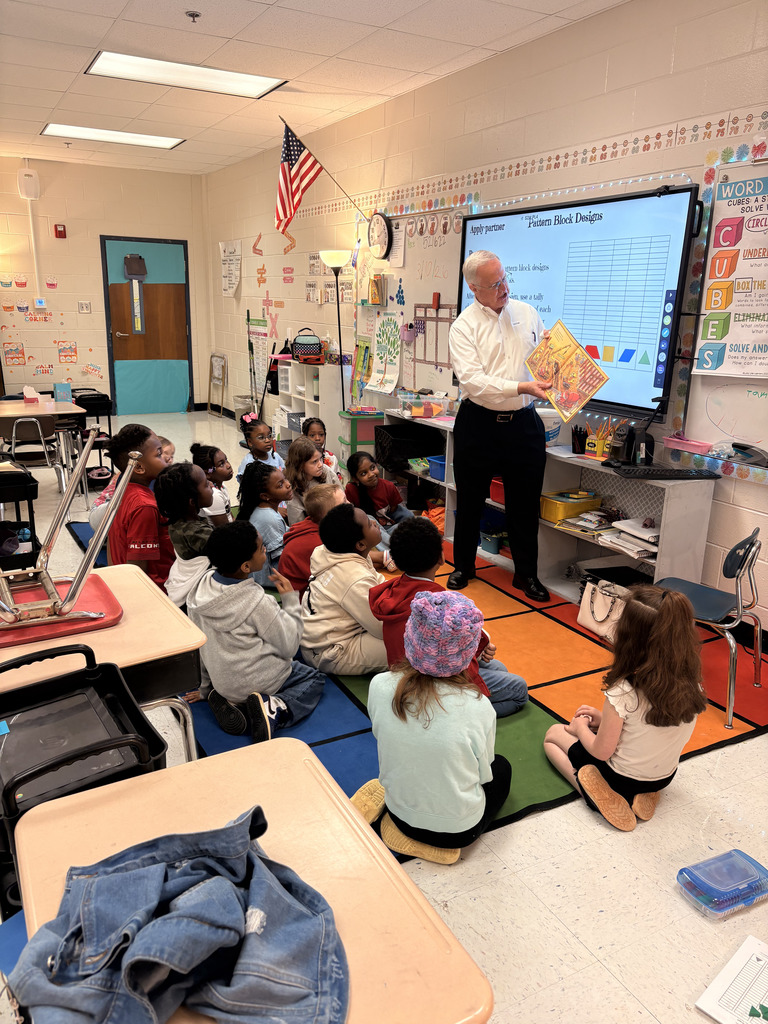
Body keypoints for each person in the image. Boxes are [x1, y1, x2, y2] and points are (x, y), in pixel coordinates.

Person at [356, 590, 511, 864]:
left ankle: (404, 818)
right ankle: (439, 841)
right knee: (502, 768)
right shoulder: (478, 706)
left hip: (400, 816)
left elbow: (382, 733)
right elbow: (483, 773)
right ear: (467, 652)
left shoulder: (379, 685)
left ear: (411, 638)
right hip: (459, 832)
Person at [543, 585, 708, 832]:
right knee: (601, 739)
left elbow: (601, 752)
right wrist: (603, 719)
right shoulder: (692, 683)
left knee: (553, 736)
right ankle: (645, 794)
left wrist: (579, 729)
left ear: (629, 637)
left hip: (621, 778)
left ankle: (592, 790)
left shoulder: (624, 690)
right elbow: (648, 727)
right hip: (663, 777)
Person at [448, 249, 553, 601]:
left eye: (505, 278)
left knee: (525, 505)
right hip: (479, 424)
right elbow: (474, 382)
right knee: (471, 500)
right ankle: (464, 565)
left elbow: (544, 363)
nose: (504, 288)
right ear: (474, 288)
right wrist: (522, 386)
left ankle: (526, 575)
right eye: (495, 284)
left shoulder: (527, 313)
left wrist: (558, 358)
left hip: (523, 425)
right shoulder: (463, 327)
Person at [369, 517, 528, 716]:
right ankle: (459, 716)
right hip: (434, 682)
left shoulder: (391, 592)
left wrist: (479, 646)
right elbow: (450, 665)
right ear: (441, 559)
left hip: (404, 675)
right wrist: (478, 645)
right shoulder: (438, 604)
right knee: (519, 690)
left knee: (499, 667)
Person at [186, 521, 326, 743]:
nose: (265, 551)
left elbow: (200, 645)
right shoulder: (258, 601)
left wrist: (205, 687)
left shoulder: (198, 591)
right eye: (261, 549)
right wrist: (290, 599)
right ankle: (276, 708)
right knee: (314, 677)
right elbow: (289, 646)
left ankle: (233, 703)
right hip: (260, 682)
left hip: (222, 683)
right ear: (245, 567)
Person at [300, 503, 388, 675]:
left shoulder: (334, 552)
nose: (375, 523)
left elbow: (380, 584)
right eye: (369, 524)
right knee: (414, 646)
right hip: (331, 651)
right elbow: (381, 627)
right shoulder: (354, 578)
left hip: (324, 638)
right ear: (361, 544)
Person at [106, 424, 175, 589]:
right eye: (159, 454)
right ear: (138, 467)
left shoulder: (123, 487)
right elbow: (136, 570)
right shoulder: (145, 507)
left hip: (121, 579)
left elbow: (111, 545)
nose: (165, 459)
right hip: (157, 592)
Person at [278, 482, 345, 598]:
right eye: (344, 503)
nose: (350, 505)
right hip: (306, 609)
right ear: (330, 515)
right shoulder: (317, 544)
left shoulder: (319, 524)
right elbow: (344, 574)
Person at [237, 461, 292, 588]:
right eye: (280, 485)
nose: (288, 485)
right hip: (268, 579)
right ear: (265, 496)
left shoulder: (264, 508)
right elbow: (281, 563)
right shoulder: (269, 518)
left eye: (285, 480)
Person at [155, 462, 214, 560]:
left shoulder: (176, 520)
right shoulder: (198, 533)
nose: (211, 485)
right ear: (192, 502)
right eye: (206, 484)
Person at [345, 451, 413, 537]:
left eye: (372, 468)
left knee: (416, 518)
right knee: (369, 520)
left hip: (389, 522)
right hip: (372, 529)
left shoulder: (389, 486)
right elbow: (350, 514)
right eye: (363, 473)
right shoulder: (351, 490)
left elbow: (393, 509)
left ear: (376, 465)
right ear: (356, 479)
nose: (371, 474)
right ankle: (387, 543)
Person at [284, 436, 338, 526]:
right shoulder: (293, 487)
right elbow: (298, 524)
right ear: (300, 465)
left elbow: (342, 497)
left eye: (321, 459)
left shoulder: (326, 470)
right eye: (314, 462)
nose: (320, 464)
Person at [190, 443, 234, 526]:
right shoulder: (214, 495)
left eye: (226, 460)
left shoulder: (221, 486)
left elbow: (229, 515)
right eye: (221, 464)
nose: (228, 466)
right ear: (207, 473)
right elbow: (225, 530)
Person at [236, 415, 284, 482]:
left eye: (269, 436)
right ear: (250, 442)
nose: (267, 440)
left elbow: (285, 474)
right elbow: (245, 487)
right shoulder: (248, 463)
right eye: (261, 437)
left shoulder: (275, 456)